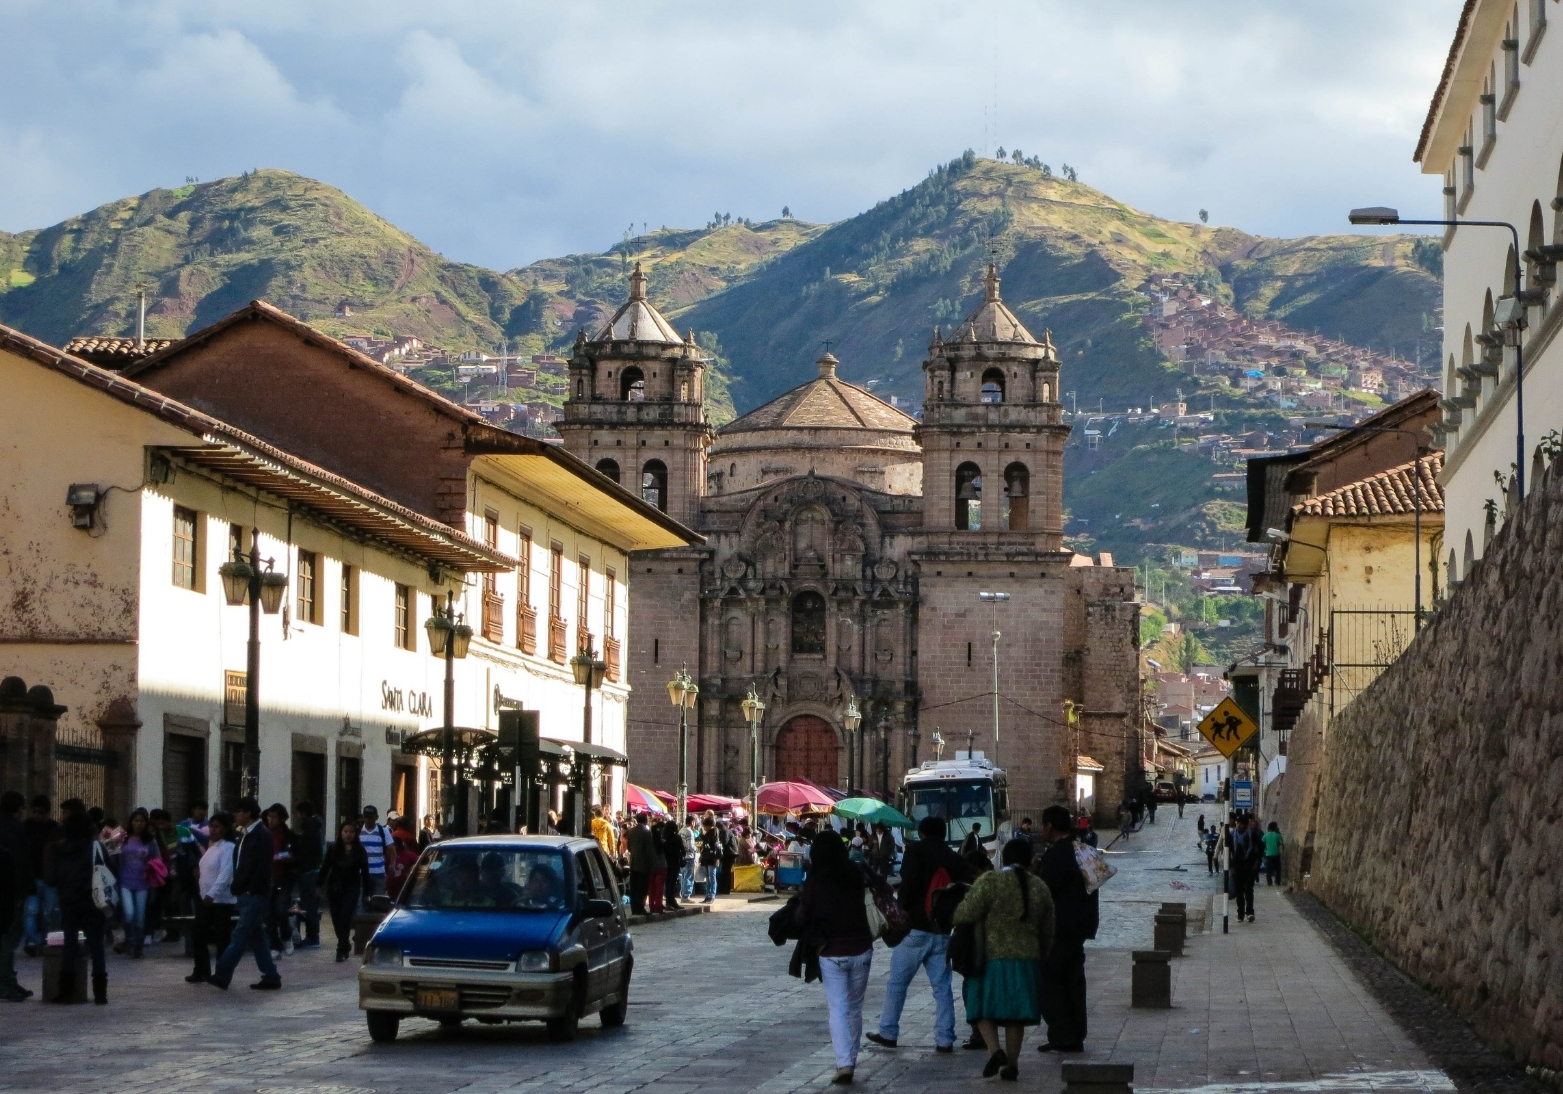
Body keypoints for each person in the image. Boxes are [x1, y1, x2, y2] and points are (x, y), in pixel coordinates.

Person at [952, 836, 1054, 1081]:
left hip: (990, 959)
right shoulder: (1039, 887)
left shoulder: (990, 881)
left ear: (1003, 858)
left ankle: (996, 1051)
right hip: (1027, 960)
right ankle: (1013, 1064)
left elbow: (964, 913)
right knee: (1014, 1015)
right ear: (1031, 861)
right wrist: (1041, 957)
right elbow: (1048, 929)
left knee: (981, 1008)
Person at [867, 815, 969, 1053]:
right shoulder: (953, 858)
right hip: (942, 929)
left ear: (922, 833)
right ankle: (945, 1038)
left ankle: (889, 1031)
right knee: (942, 986)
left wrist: (902, 911)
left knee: (897, 983)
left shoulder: (915, 851)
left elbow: (909, 886)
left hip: (914, 928)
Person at [795, 829, 880, 1085]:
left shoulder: (815, 881)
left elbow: (802, 918)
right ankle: (850, 1059)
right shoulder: (857, 873)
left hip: (832, 952)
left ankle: (845, 1063)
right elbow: (883, 888)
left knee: (839, 1008)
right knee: (855, 1008)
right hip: (862, 948)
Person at [210, 797, 281, 991]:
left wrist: (250, 887)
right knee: (256, 935)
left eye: (238, 812)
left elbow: (263, 867)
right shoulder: (243, 835)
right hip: (244, 892)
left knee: (240, 933)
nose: (235, 815)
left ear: (248, 813)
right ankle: (271, 975)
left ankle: (222, 973)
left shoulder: (262, 835)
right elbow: (239, 862)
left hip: (255, 893)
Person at [1036, 805, 1090, 1054]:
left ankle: (1063, 1034)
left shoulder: (1057, 855)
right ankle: (1074, 1034)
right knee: (1074, 983)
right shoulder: (1082, 850)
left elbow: (1045, 890)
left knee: (1052, 984)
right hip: (1078, 925)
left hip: (1058, 927)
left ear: (1049, 826)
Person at [46, 811, 109, 1004]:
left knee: (70, 945)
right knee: (97, 945)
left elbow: (51, 878)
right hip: (92, 901)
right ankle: (100, 994)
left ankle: (66, 992)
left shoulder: (58, 849)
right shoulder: (95, 847)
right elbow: (110, 869)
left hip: (68, 901)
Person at [186, 812, 236, 984]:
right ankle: (201, 969)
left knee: (222, 937)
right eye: (212, 826)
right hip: (205, 897)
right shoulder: (212, 846)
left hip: (220, 900)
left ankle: (221, 971)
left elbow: (225, 874)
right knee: (198, 933)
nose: (212, 830)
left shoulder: (228, 848)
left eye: (217, 826)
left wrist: (212, 893)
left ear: (225, 829)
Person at [318, 821, 371, 962]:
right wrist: (319, 885)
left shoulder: (360, 851)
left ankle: (340, 949)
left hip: (352, 887)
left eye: (351, 832)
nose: (348, 835)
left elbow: (365, 873)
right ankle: (345, 943)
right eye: (345, 831)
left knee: (345, 916)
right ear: (341, 833)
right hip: (334, 888)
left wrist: (367, 893)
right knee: (336, 919)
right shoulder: (334, 849)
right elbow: (325, 868)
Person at [0, 791, 31, 1002]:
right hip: (10, 891)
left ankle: (9, 979)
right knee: (8, 939)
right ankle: (5, 982)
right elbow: (22, 862)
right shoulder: (16, 829)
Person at [116, 808, 158, 957]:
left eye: (142, 821)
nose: (139, 824)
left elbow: (157, 859)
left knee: (140, 918)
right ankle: (130, 940)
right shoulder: (123, 838)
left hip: (143, 883)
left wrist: (151, 866)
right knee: (129, 913)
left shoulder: (150, 841)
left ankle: (137, 946)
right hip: (125, 881)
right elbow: (114, 855)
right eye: (136, 821)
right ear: (131, 822)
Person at [22, 795, 59, 957]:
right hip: (32, 876)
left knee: (47, 912)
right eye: (35, 812)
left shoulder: (54, 829)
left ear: (47, 813)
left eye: (41, 812)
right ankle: (32, 940)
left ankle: (43, 941)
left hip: (49, 877)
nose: (37, 815)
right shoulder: (26, 827)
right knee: (31, 910)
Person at [262, 804, 295, 956]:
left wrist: (286, 857)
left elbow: (297, 855)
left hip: (283, 877)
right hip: (267, 877)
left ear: (281, 819)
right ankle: (274, 945)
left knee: (281, 910)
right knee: (268, 913)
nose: (271, 820)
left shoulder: (289, 835)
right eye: (269, 816)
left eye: (274, 817)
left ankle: (286, 936)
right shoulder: (264, 834)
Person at [291, 801, 323, 948]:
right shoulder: (315, 828)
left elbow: (306, 852)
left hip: (308, 871)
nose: (296, 817)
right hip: (312, 870)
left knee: (309, 905)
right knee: (310, 905)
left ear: (303, 813)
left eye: (298, 813)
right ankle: (312, 936)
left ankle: (313, 937)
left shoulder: (309, 830)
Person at [359, 805, 394, 902]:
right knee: (361, 902)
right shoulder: (358, 831)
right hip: (362, 874)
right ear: (363, 817)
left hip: (379, 873)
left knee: (378, 902)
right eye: (366, 817)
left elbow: (391, 848)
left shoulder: (383, 831)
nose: (368, 820)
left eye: (371, 817)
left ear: (376, 817)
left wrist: (392, 864)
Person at [1231, 815, 1262, 921]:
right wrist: (1231, 866)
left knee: (1248, 889)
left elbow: (1260, 848)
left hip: (1249, 866)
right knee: (1239, 891)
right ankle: (1240, 914)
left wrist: (1256, 862)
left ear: (1246, 825)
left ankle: (1250, 912)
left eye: (1241, 823)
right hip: (1237, 867)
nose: (1239, 825)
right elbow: (1229, 852)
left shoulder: (1252, 835)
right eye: (1238, 823)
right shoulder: (1232, 835)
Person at [626, 814, 655, 915]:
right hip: (644, 864)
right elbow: (649, 850)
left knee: (634, 887)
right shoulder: (646, 832)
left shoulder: (631, 831)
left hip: (633, 862)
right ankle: (640, 907)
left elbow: (629, 847)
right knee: (642, 887)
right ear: (645, 820)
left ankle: (634, 908)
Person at [386, 819, 421, 900]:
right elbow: (417, 854)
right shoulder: (409, 837)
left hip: (398, 886)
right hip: (400, 885)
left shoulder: (392, 834)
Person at [660, 818, 684, 911]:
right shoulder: (677, 837)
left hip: (666, 862)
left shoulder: (663, 838)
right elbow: (682, 850)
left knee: (667, 882)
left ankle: (668, 901)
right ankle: (671, 901)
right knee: (672, 882)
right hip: (674, 862)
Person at [698, 816, 722, 903]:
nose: (704, 828)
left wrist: (701, 835)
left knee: (712, 877)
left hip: (712, 858)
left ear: (708, 825)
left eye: (705, 826)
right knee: (708, 878)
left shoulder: (714, 832)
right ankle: (708, 895)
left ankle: (712, 895)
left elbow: (710, 841)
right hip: (707, 858)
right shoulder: (709, 833)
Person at [679, 815, 699, 902]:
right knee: (688, 877)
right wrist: (696, 849)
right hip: (689, 857)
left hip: (682, 857)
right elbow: (690, 846)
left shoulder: (681, 831)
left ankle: (683, 894)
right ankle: (686, 896)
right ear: (692, 822)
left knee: (683, 877)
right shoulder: (689, 832)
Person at [1263, 821, 1283, 886]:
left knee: (1268, 869)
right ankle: (1277, 881)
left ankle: (1269, 881)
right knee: (1277, 869)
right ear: (1275, 828)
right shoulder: (1278, 835)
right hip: (1276, 854)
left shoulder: (1266, 835)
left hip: (1268, 854)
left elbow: (1262, 842)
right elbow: (1281, 844)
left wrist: (1264, 850)